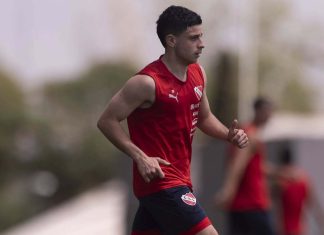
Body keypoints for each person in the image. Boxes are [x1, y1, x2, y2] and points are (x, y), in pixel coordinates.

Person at [97, 5, 248, 235]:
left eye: (201, 36)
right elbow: (107, 120)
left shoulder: (198, 73)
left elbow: (204, 117)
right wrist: (140, 156)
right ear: (171, 40)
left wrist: (228, 135)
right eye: (194, 38)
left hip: (179, 179)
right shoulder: (147, 83)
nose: (202, 43)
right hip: (163, 181)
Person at [214, 97, 275, 235]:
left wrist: (281, 173)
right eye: (267, 111)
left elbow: (258, 167)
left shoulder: (249, 133)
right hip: (252, 203)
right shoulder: (250, 134)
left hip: (240, 206)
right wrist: (228, 190)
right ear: (258, 111)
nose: (269, 115)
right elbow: (237, 165)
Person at [274, 147, 324, 235]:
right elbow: (315, 206)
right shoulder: (304, 179)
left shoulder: (281, 181)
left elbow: (275, 206)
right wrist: (321, 225)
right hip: (301, 229)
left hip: (284, 229)